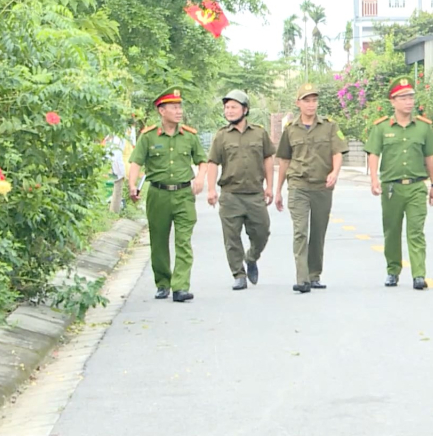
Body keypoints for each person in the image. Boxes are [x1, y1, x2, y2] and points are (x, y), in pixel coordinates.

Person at [128, 86, 207, 303]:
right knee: (159, 240)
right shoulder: (148, 136)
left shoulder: (189, 136)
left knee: (183, 240)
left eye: (180, 106)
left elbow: (202, 160)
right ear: (161, 111)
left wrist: (200, 178)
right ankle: (163, 282)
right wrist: (132, 184)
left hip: (183, 194)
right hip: (158, 194)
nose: (179, 111)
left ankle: (180, 286)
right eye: (173, 107)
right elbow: (136, 162)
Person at [364, 76, 433, 290]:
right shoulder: (381, 128)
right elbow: (373, 154)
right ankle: (393, 270)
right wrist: (373, 179)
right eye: (404, 97)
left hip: (416, 186)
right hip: (391, 187)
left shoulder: (423, 127)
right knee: (392, 230)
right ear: (393, 101)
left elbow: (430, 157)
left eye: (411, 97)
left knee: (415, 231)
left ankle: (418, 274)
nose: (409, 101)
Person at [275, 82, 348, 293]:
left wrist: (335, 172)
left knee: (318, 232)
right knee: (300, 231)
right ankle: (302, 277)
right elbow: (285, 161)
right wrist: (278, 189)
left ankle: (314, 274)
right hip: (298, 185)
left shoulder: (329, 126)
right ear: (298, 103)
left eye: (314, 100)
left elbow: (337, 152)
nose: (311, 105)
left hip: (321, 187)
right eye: (306, 100)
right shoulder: (290, 130)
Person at [206, 89, 276, 291]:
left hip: (255, 194)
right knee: (231, 238)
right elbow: (212, 163)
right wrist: (211, 190)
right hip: (230, 195)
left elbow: (268, 159)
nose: (229, 111)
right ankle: (238, 274)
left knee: (262, 232)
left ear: (245, 110)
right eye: (227, 107)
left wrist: (269, 186)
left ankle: (251, 257)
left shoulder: (259, 133)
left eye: (234, 107)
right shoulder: (221, 136)